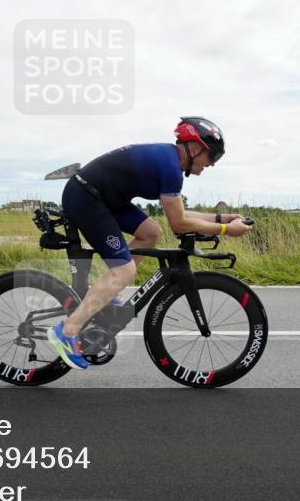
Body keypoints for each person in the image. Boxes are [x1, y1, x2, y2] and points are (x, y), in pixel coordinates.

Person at [47, 117, 254, 370]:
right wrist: (225, 230)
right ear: (194, 148)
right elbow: (180, 224)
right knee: (124, 271)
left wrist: (222, 218)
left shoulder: (170, 162)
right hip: (86, 197)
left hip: (106, 197)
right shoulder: (170, 167)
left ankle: (108, 291)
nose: (212, 164)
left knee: (150, 232)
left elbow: (180, 214)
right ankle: (66, 332)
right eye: (213, 156)